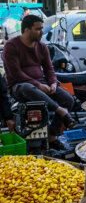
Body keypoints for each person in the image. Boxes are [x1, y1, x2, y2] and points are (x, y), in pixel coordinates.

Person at [2, 15, 75, 149]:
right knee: (28, 88)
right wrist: (38, 85)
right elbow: (16, 73)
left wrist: (52, 83)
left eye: (42, 29)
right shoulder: (11, 46)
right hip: (19, 86)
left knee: (68, 99)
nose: (42, 32)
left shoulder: (42, 47)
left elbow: (49, 69)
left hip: (41, 84)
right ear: (26, 30)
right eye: (38, 29)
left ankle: (52, 135)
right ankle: (60, 111)